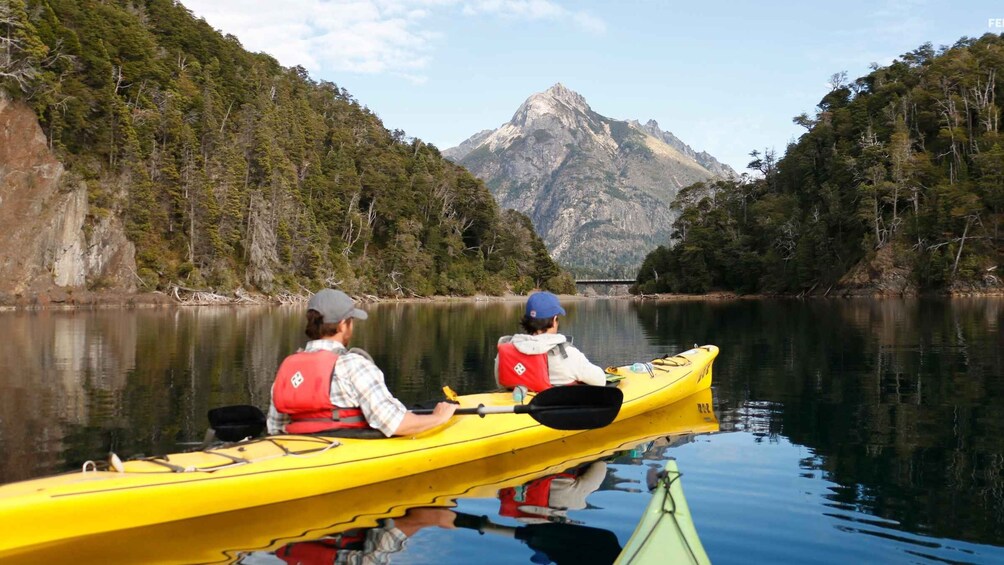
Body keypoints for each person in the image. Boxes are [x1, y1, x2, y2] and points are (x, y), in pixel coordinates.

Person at [267, 289, 456, 437]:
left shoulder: (288, 367)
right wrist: (437, 418)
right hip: (344, 452)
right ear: (342, 324)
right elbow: (396, 424)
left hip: (296, 450)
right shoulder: (353, 365)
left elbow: (275, 429)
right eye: (351, 321)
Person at [494, 291, 606, 392]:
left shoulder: (506, 351)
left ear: (527, 320)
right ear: (554, 320)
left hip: (519, 406)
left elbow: (501, 383)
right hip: (555, 409)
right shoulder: (568, 354)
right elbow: (600, 380)